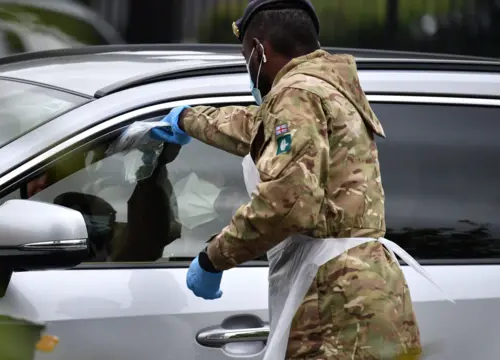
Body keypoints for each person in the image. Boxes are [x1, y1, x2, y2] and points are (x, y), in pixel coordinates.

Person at [149, 1, 449, 359]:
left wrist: (214, 258)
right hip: (364, 293)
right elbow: (260, 129)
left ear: (260, 50)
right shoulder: (327, 89)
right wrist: (189, 119)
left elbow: (287, 203)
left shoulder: (298, 96)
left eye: (245, 56)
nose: (247, 69)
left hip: (335, 302)